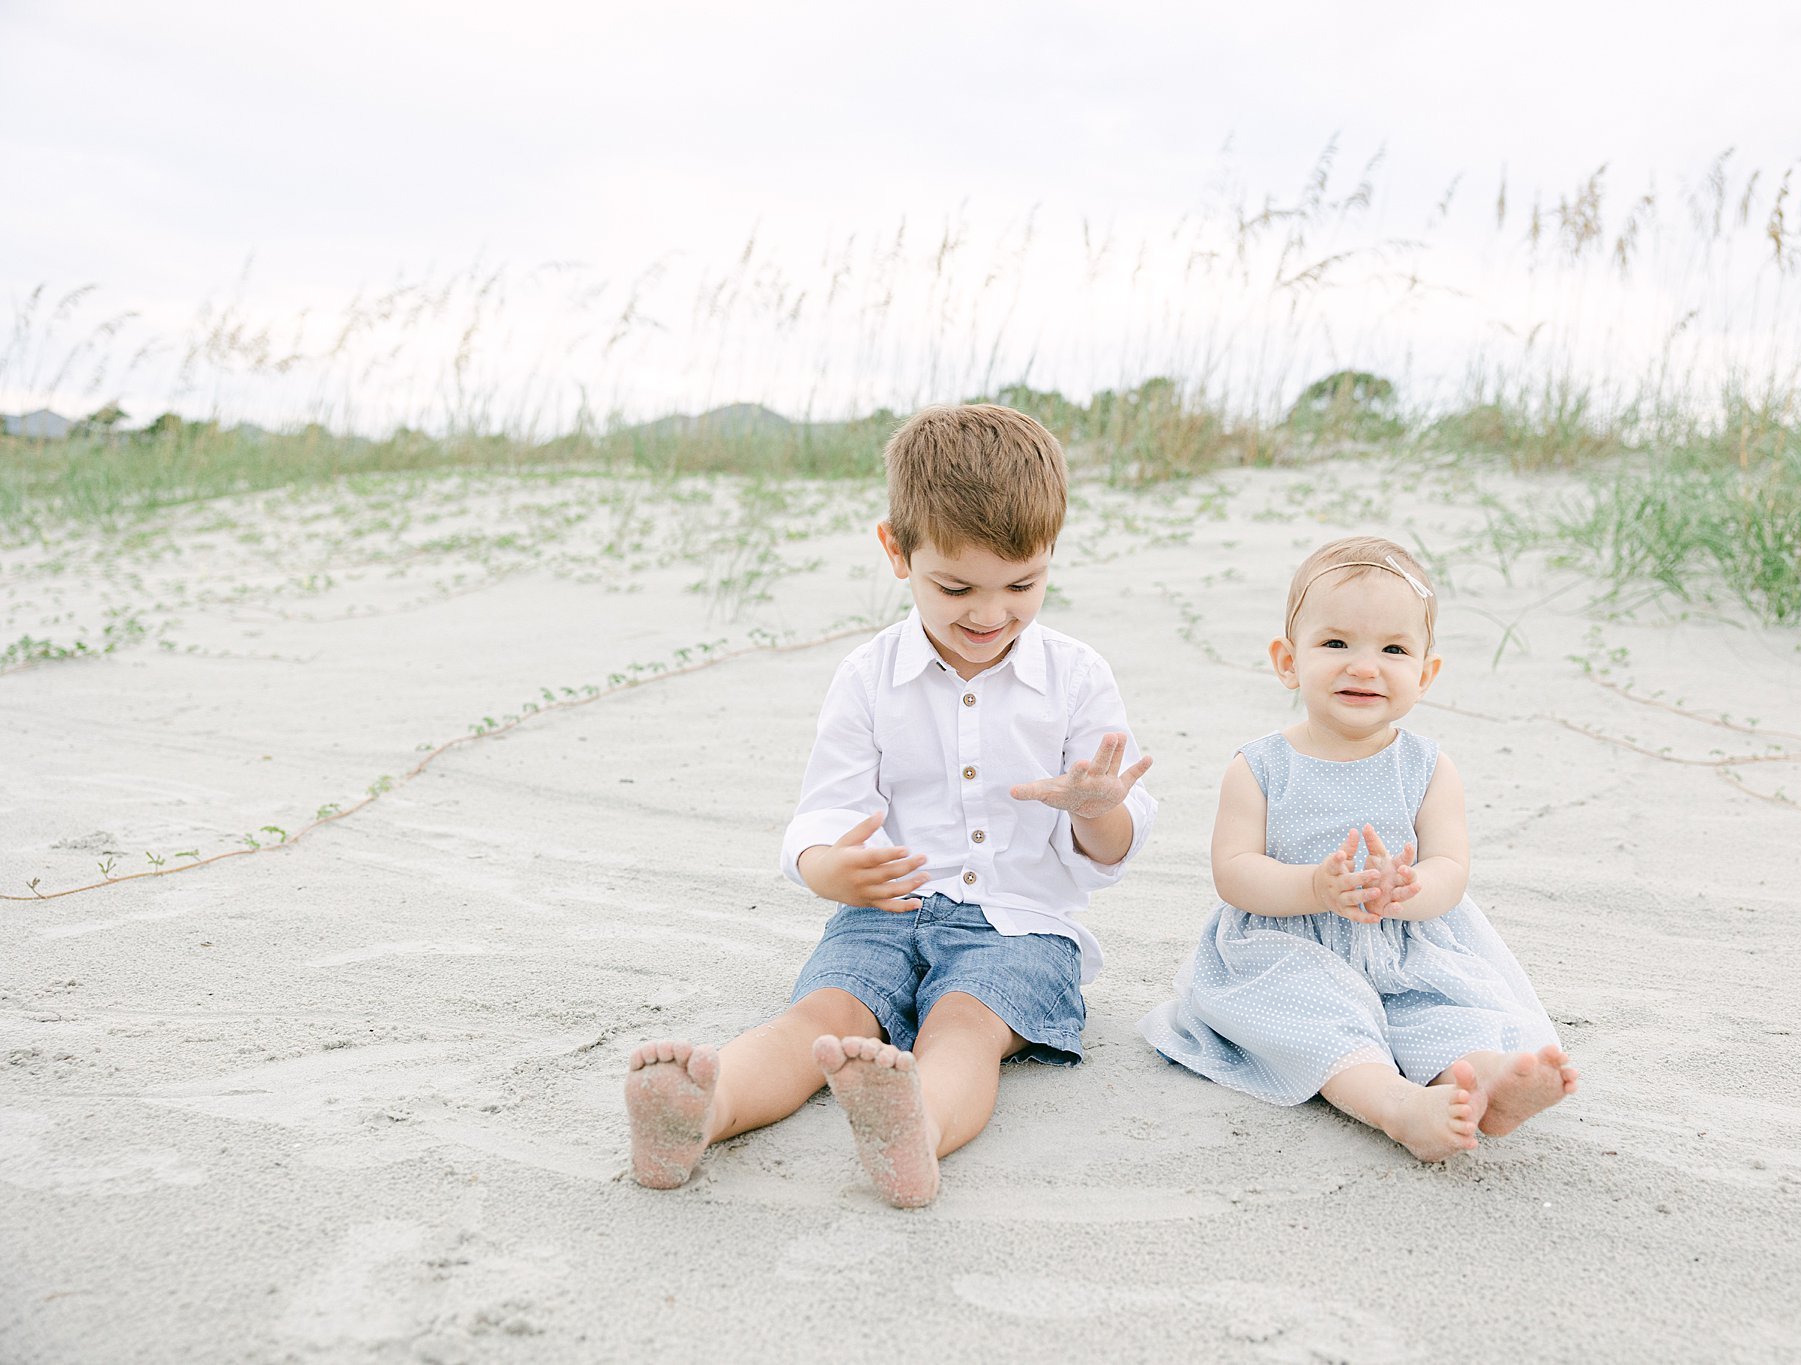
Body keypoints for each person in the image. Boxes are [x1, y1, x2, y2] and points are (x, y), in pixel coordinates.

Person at [625, 404, 1156, 1206]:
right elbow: (824, 813)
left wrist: (1094, 806)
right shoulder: (867, 676)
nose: (989, 613)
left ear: (1050, 554)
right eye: (956, 586)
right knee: (819, 1017)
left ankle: (918, 1128)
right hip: (885, 910)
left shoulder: (1078, 676)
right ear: (896, 551)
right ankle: (704, 1107)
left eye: (1023, 584)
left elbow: (1112, 848)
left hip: (1021, 925)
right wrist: (837, 870)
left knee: (965, 1028)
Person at [1139, 534, 1576, 1161]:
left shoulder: (1428, 768)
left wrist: (1413, 890)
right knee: (1319, 1019)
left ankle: (1481, 1079)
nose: (1364, 666)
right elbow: (1234, 874)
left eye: (1394, 649)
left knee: (1439, 1006)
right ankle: (1396, 1106)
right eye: (1336, 643)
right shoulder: (1261, 766)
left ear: (1425, 674)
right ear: (1288, 660)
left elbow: (1451, 867)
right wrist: (1313, 888)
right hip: (1288, 943)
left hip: (1402, 942)